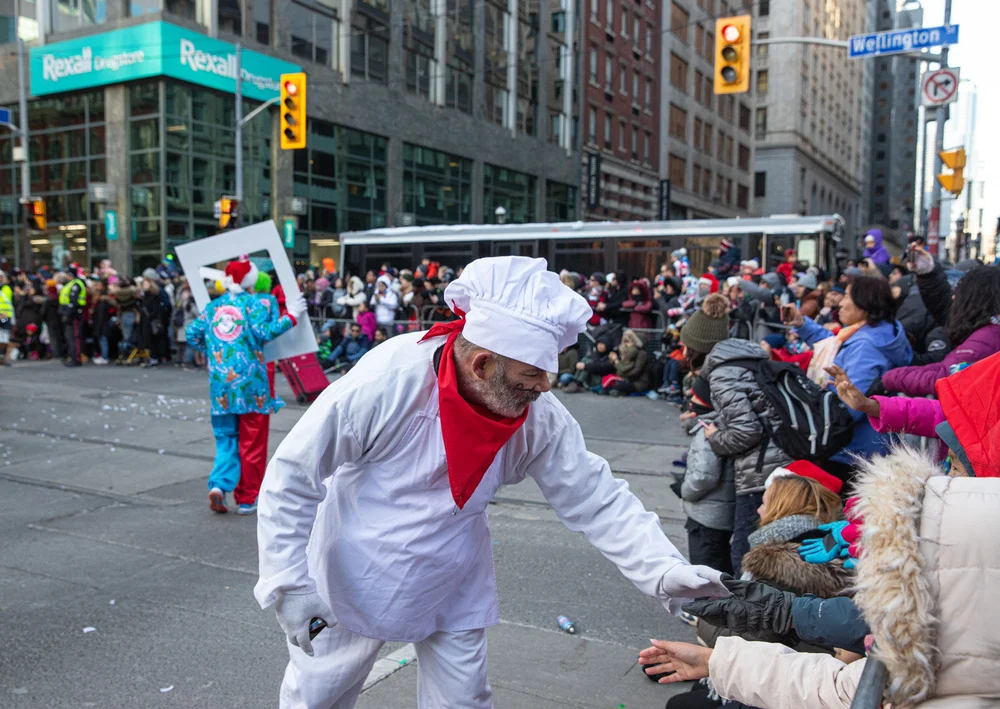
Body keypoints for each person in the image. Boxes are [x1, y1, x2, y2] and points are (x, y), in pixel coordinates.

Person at [254, 256, 728, 709]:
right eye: (532, 373)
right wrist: (291, 585)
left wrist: (663, 570)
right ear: (482, 365)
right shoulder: (389, 378)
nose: (545, 385)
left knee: (464, 699)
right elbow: (294, 473)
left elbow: (595, 496)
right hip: (356, 567)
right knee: (319, 694)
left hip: (453, 572)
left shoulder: (539, 415)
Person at [639, 444, 1000, 709]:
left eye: (766, 498)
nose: (758, 506)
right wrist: (714, 661)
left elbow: (829, 674)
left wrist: (700, 626)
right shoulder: (828, 544)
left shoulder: (772, 556)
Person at [187, 257, 307, 515]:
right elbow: (265, 332)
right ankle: (247, 499)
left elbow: (192, 333)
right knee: (252, 443)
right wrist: (293, 315)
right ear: (250, 279)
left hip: (221, 388)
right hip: (251, 385)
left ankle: (219, 485)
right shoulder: (254, 304)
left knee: (226, 438)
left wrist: (214, 350)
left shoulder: (213, 308)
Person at [682, 294, 793, 573]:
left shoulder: (721, 374)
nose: (683, 354)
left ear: (699, 349)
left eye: (687, 347)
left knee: (745, 555)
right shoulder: (744, 358)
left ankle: (742, 614)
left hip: (759, 471)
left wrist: (714, 436)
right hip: (777, 460)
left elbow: (747, 430)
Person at [784, 276, 912, 481]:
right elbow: (834, 344)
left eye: (846, 297)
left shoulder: (866, 346)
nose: (841, 303)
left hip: (853, 452)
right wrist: (802, 323)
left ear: (865, 304)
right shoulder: (875, 332)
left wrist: (815, 426)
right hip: (864, 447)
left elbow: (851, 405)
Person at [882, 264, 1000, 397]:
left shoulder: (987, 336)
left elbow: (944, 377)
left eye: (959, 292)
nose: (954, 297)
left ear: (975, 298)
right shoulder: (988, 331)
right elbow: (944, 367)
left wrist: (889, 378)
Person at [678, 376, 735, 575]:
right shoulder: (721, 424)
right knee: (720, 563)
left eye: (696, 396)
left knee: (707, 570)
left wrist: (685, 490)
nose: (691, 399)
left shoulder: (707, 431)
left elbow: (704, 476)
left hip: (707, 514)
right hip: (718, 513)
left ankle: (711, 604)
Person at [603, 328, 650, 396]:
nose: (626, 344)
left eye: (629, 341)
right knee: (608, 381)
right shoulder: (626, 352)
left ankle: (618, 391)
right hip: (627, 379)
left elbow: (636, 371)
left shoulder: (642, 354)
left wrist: (622, 373)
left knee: (618, 385)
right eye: (626, 342)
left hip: (638, 382)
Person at [58, 268, 87, 367]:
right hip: (70, 312)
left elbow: (73, 301)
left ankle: (76, 359)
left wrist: (68, 314)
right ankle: (73, 357)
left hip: (74, 313)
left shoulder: (76, 284)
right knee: (70, 337)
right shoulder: (71, 284)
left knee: (74, 337)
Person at [139, 275, 165, 367]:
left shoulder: (154, 295)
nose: (144, 285)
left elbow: (155, 309)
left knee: (151, 340)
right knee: (147, 340)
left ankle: (154, 358)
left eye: (146, 283)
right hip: (146, 320)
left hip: (150, 320)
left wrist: (150, 317)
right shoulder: (145, 295)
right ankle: (151, 358)